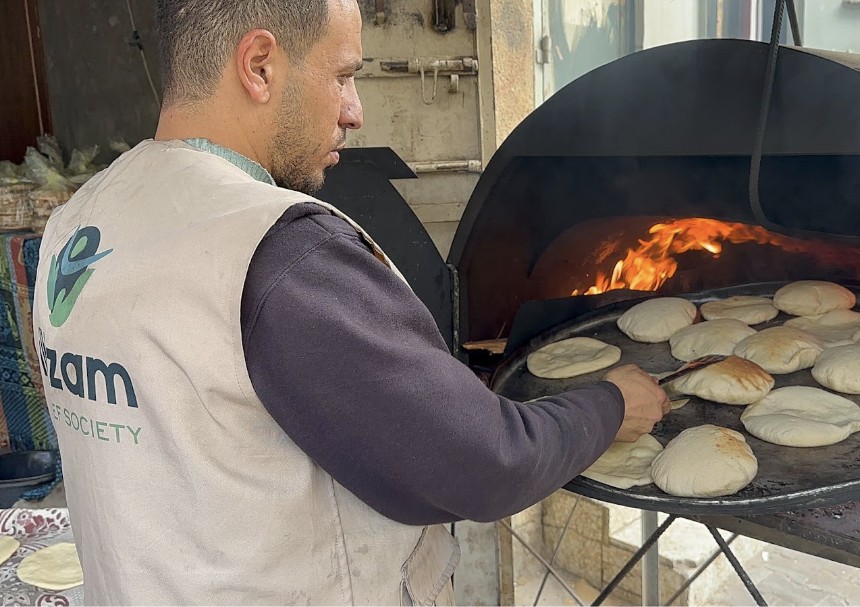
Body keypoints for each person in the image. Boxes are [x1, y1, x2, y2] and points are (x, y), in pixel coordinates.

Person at [32, 0, 670, 604]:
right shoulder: (274, 249)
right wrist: (611, 404)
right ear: (259, 66)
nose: (354, 111)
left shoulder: (78, 225)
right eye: (342, 75)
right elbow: (483, 464)